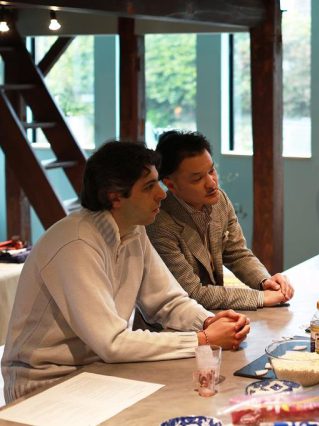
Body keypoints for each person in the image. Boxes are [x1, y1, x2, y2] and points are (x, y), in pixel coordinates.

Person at [1, 141, 250, 403]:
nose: (162, 194)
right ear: (115, 197)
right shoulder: (76, 242)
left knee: (198, 400)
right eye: (149, 186)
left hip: (99, 371)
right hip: (45, 385)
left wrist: (208, 321)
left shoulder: (133, 229)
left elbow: (168, 301)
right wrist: (202, 339)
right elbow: (112, 343)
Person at [146, 130, 294, 311]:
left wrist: (265, 281)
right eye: (197, 178)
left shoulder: (219, 201)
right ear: (170, 184)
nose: (211, 183)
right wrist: (261, 297)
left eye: (211, 170)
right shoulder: (160, 224)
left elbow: (237, 253)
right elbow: (193, 293)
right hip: (173, 328)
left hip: (213, 315)